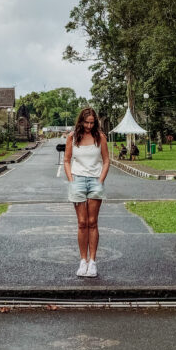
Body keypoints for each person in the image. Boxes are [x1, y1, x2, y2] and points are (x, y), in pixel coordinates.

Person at [63, 106, 110, 278]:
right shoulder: (73, 137)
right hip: (78, 181)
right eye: (86, 122)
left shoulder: (100, 137)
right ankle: (83, 261)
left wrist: (100, 180)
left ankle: (93, 262)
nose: (89, 126)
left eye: (92, 123)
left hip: (95, 181)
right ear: (81, 121)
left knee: (93, 222)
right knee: (82, 223)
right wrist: (71, 179)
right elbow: (67, 160)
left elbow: (106, 161)